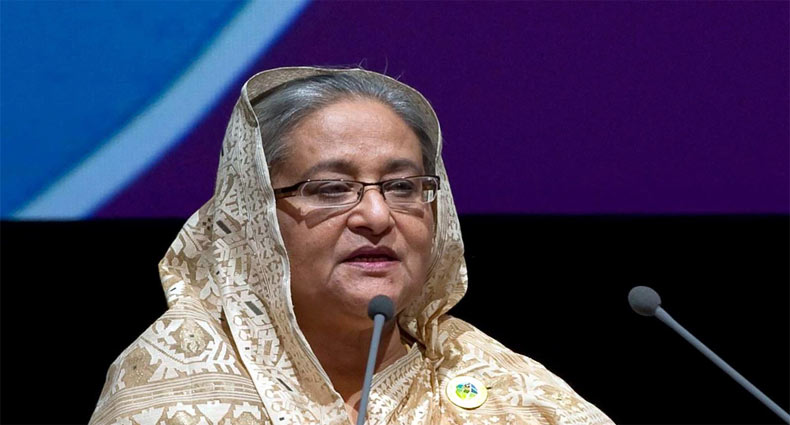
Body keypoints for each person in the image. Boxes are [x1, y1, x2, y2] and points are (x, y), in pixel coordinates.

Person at [89, 67, 613, 425]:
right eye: (330, 189)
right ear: (254, 216)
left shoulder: (511, 395)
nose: (377, 216)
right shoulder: (171, 389)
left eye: (403, 186)